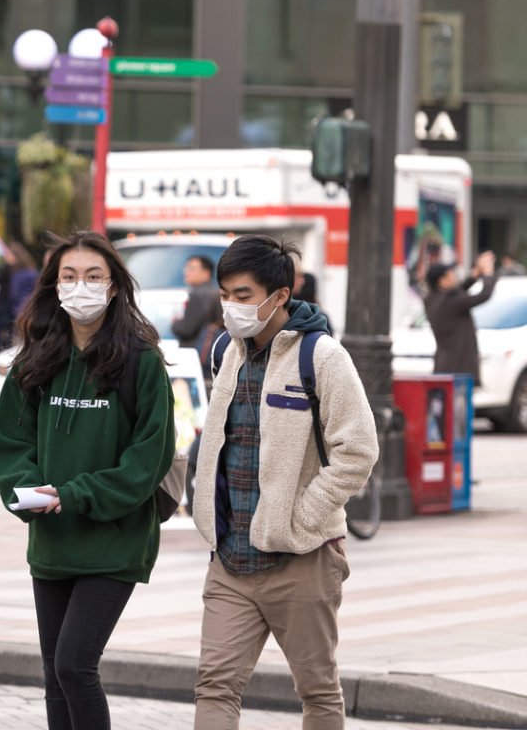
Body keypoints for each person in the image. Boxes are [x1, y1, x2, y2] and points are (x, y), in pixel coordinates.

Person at [0, 231, 176, 730]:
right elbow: (11, 444)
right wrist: (27, 490)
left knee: (74, 664)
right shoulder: (33, 362)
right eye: (69, 277)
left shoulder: (142, 362)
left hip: (115, 540)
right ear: (53, 287)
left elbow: (147, 459)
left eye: (94, 277)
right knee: (55, 675)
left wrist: (74, 495)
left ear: (114, 287)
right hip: (51, 539)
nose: (81, 287)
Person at [191, 235, 378, 730]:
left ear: (279, 296)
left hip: (303, 559)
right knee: (214, 687)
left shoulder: (322, 357)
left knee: (317, 692)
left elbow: (358, 451)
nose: (232, 306)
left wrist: (300, 518)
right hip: (231, 559)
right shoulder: (223, 352)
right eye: (225, 294)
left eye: (244, 295)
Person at [425, 250, 498, 386]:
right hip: (459, 369)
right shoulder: (451, 302)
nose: (455, 276)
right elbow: (484, 295)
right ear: (443, 281)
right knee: (459, 407)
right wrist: (488, 273)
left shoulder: (432, 300)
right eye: (451, 274)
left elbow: (458, 290)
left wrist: (476, 272)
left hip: (445, 366)